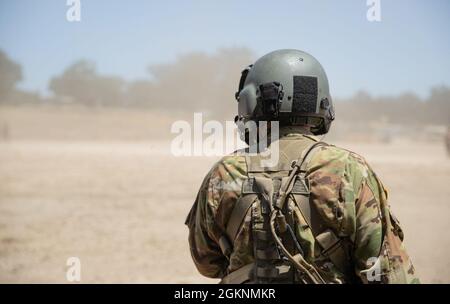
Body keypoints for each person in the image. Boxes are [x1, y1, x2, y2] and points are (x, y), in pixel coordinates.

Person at [185, 49, 419, 284]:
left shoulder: (223, 173)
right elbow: (388, 274)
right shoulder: (349, 170)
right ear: (321, 103)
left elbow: (206, 263)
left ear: (251, 102)